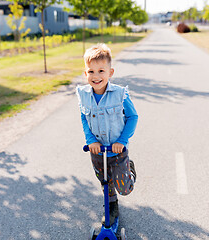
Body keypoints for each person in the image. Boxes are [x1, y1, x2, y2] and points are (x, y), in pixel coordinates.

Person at [76, 43, 138, 226]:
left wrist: (122, 141)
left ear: (110, 73)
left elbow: (133, 116)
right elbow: (83, 117)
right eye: (91, 71)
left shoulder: (120, 95)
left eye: (101, 71)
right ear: (85, 73)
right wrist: (90, 140)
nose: (96, 76)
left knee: (124, 188)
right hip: (97, 151)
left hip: (117, 151)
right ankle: (111, 205)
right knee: (105, 182)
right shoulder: (84, 95)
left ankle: (130, 171)